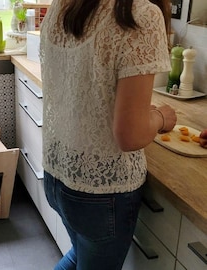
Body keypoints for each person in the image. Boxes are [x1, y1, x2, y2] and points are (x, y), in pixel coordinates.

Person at [40, 0, 177, 269]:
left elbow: (86, 90)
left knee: (79, 256)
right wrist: (161, 117)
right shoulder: (141, 15)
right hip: (102, 192)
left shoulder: (65, 5)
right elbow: (131, 136)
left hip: (57, 175)